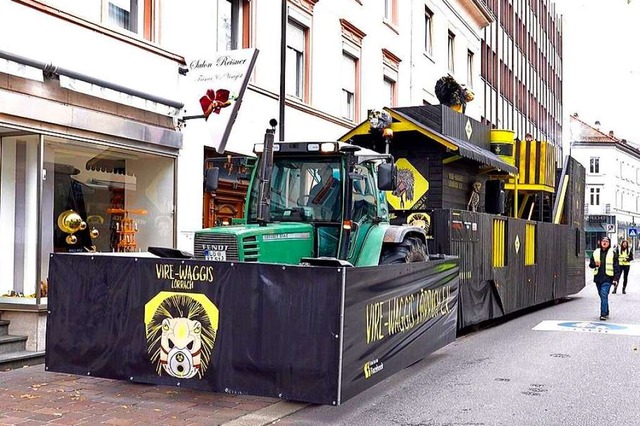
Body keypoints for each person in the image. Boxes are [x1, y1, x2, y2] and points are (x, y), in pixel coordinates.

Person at [588, 237, 620, 320]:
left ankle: (603, 314)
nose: (604, 242)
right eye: (603, 241)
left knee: (603, 293)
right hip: (598, 278)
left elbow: (616, 267)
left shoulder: (613, 253)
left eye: (606, 241)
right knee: (602, 295)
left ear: (609, 243)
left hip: (608, 278)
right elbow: (590, 265)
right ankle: (606, 311)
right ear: (600, 242)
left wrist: (616, 279)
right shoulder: (596, 252)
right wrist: (595, 264)